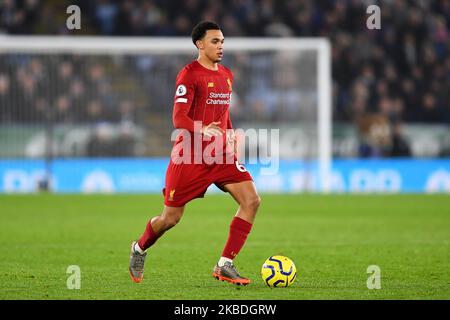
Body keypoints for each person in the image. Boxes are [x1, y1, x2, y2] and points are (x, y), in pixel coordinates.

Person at [129, 21, 261, 285]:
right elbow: (179, 118)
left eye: (222, 41)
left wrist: (231, 134)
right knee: (170, 218)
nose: (221, 46)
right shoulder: (189, 74)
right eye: (215, 41)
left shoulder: (227, 75)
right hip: (189, 155)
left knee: (252, 201)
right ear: (200, 44)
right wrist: (203, 130)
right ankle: (139, 247)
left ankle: (225, 264)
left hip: (220, 153)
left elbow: (223, 113)